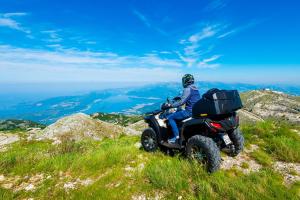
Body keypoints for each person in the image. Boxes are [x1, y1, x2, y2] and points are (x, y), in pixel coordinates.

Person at [162, 74, 201, 143]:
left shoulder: (187, 89)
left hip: (189, 112)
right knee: (179, 112)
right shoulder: (195, 89)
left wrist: (170, 105)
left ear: (185, 81)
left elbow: (181, 102)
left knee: (171, 117)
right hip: (196, 112)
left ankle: (176, 137)